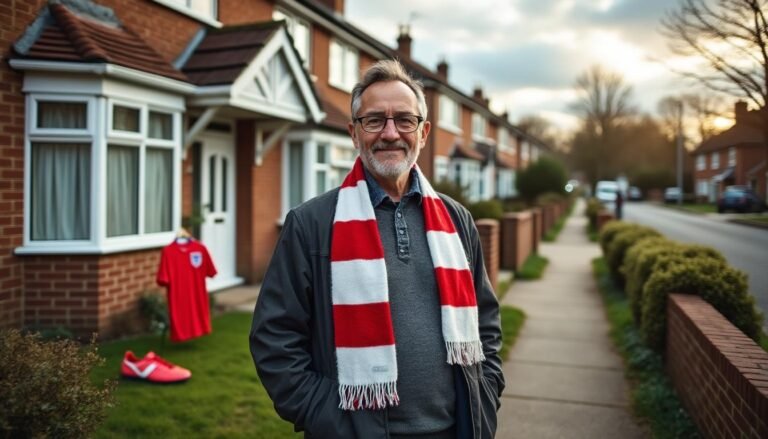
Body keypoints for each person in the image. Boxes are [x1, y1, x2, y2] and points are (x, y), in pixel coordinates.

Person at [250, 59, 504, 439]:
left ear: (424, 132)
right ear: (354, 133)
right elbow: (274, 339)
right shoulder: (311, 224)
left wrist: (485, 391)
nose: (390, 133)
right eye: (374, 121)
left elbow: (486, 322)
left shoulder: (457, 220)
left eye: (404, 120)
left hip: (456, 430)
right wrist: (325, 415)